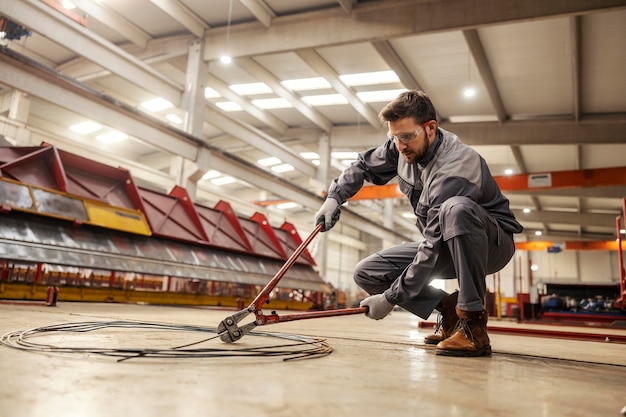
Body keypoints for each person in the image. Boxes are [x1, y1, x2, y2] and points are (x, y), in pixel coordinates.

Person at [314, 90, 522, 357]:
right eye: (394, 137)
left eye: (407, 136)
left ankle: (472, 324)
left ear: (431, 128)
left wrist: (391, 298)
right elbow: (363, 166)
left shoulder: (456, 165)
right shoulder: (401, 147)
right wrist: (335, 197)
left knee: (456, 209)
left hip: (490, 244)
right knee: (368, 272)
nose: (400, 145)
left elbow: (432, 244)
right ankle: (449, 310)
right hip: (444, 241)